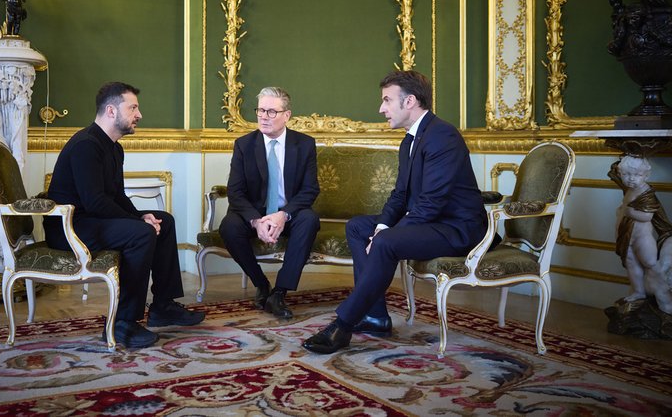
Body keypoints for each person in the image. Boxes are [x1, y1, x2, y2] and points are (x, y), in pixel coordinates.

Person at [303, 70, 487, 354]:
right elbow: (400, 195)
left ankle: (343, 323)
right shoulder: (409, 139)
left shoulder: (443, 136)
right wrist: (381, 226)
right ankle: (375, 316)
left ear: (410, 101)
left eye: (387, 100)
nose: (381, 108)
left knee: (387, 241)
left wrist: (388, 233)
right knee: (358, 227)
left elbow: (433, 202)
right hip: (431, 222)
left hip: (457, 228)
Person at [44, 81, 205, 350]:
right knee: (140, 233)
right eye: (133, 108)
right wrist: (138, 221)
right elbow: (95, 202)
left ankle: (163, 306)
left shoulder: (114, 147)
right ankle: (123, 323)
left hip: (92, 220)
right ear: (110, 111)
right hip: (69, 227)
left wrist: (145, 217)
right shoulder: (86, 144)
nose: (139, 115)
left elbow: (117, 197)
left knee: (163, 220)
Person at [219, 87, 320, 318]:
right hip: (255, 212)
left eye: (272, 112)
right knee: (229, 226)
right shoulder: (244, 145)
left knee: (310, 219)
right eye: (261, 110)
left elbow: (310, 190)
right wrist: (256, 220)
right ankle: (261, 284)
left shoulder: (304, 144)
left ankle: (279, 292)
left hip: (289, 213)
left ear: (287, 115)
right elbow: (235, 192)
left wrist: (283, 215)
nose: (264, 116)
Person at [610, 156, 672, 314]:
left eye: (636, 175)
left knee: (650, 263)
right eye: (626, 175)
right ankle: (639, 291)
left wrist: (629, 212)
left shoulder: (646, 193)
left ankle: (664, 297)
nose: (631, 179)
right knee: (631, 261)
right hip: (627, 236)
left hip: (642, 237)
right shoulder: (630, 190)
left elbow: (648, 217)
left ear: (646, 176)